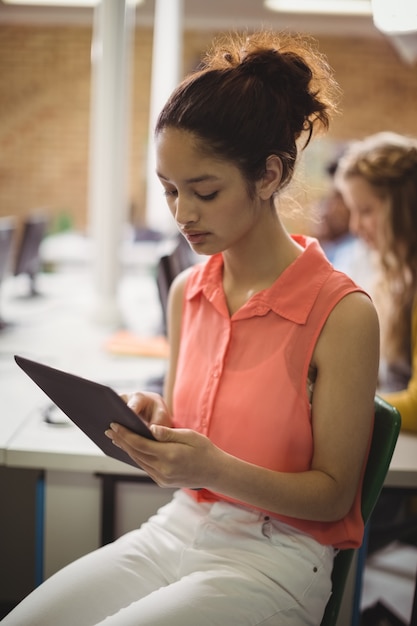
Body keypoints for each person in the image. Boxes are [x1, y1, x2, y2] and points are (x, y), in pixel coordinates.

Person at [3, 31, 379, 626]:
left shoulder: (343, 313)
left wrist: (211, 467)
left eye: (204, 191)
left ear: (269, 175)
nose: (182, 214)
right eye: (169, 190)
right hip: (180, 526)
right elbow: (190, 435)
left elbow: (334, 494)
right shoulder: (188, 292)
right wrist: (155, 420)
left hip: (276, 556)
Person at [334, 131, 417, 432]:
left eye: (366, 211)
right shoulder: (396, 278)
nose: (355, 227)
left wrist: (337, 406)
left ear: (404, 205)